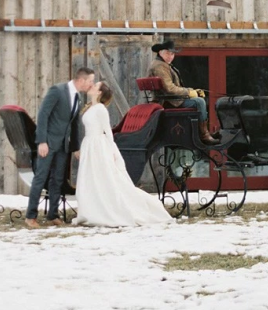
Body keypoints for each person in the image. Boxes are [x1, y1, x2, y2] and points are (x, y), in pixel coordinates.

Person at [73, 84, 172, 227]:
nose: (91, 87)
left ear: (99, 92)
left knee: (102, 177)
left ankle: (109, 210)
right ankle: (91, 208)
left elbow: (107, 131)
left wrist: (112, 151)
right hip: (89, 144)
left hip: (98, 146)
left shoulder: (100, 109)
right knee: (90, 177)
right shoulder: (91, 107)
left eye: (95, 86)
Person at [24, 67, 96, 228]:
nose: (91, 84)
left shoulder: (77, 96)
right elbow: (43, 114)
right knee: (40, 177)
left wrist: (75, 147)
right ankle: (30, 216)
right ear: (81, 80)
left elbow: (75, 123)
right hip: (48, 143)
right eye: (90, 81)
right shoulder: (57, 90)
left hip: (63, 145)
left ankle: (53, 215)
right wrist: (42, 141)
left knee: (57, 179)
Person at [147, 40, 219, 145]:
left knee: (198, 99)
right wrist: (188, 92)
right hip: (168, 102)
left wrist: (192, 91)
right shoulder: (160, 66)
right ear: (160, 52)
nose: (170, 56)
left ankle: (203, 132)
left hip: (169, 99)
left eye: (172, 54)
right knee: (200, 102)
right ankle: (204, 135)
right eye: (167, 53)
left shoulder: (163, 64)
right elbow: (169, 88)